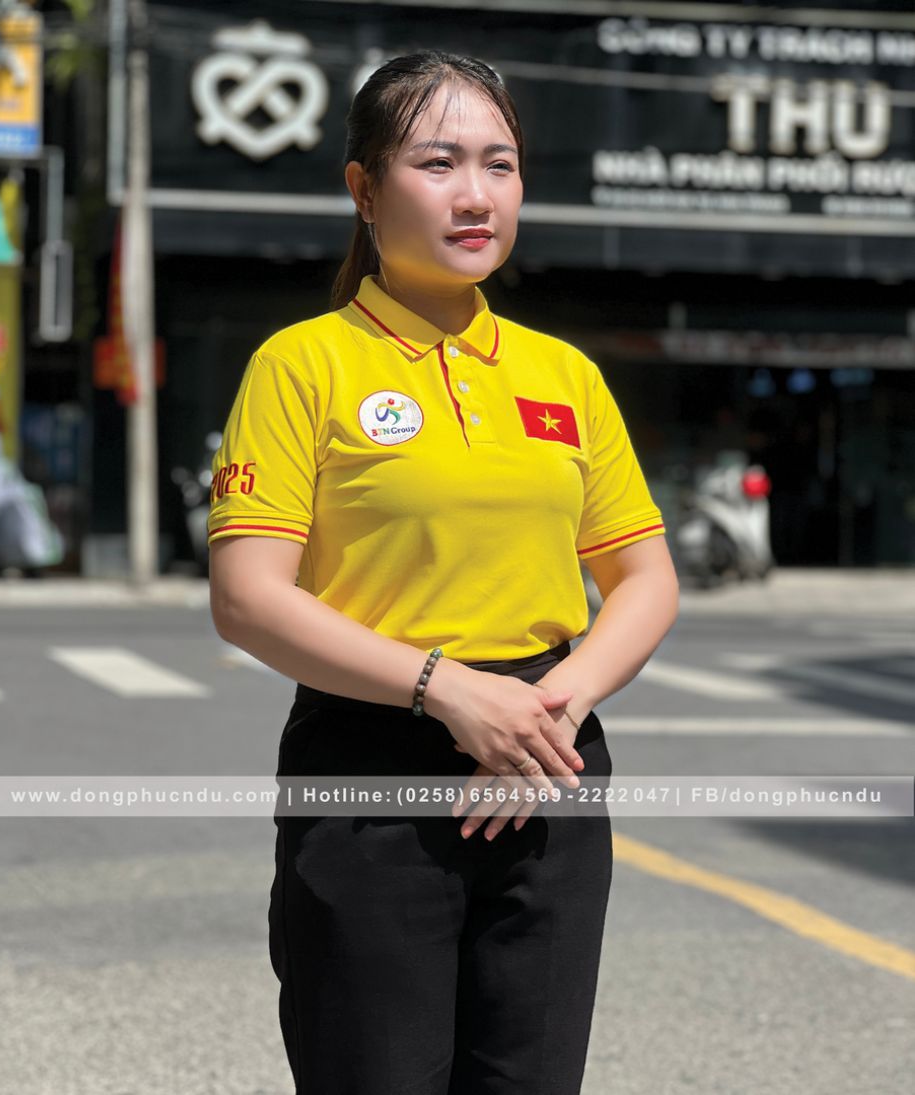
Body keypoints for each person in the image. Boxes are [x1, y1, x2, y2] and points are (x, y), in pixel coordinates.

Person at [208, 50, 678, 1095]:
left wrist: (553, 708)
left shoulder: (565, 375)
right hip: (372, 766)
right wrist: (451, 692)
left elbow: (645, 578)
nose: (476, 195)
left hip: (549, 763)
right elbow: (247, 598)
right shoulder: (303, 363)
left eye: (499, 164)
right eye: (438, 163)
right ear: (365, 189)